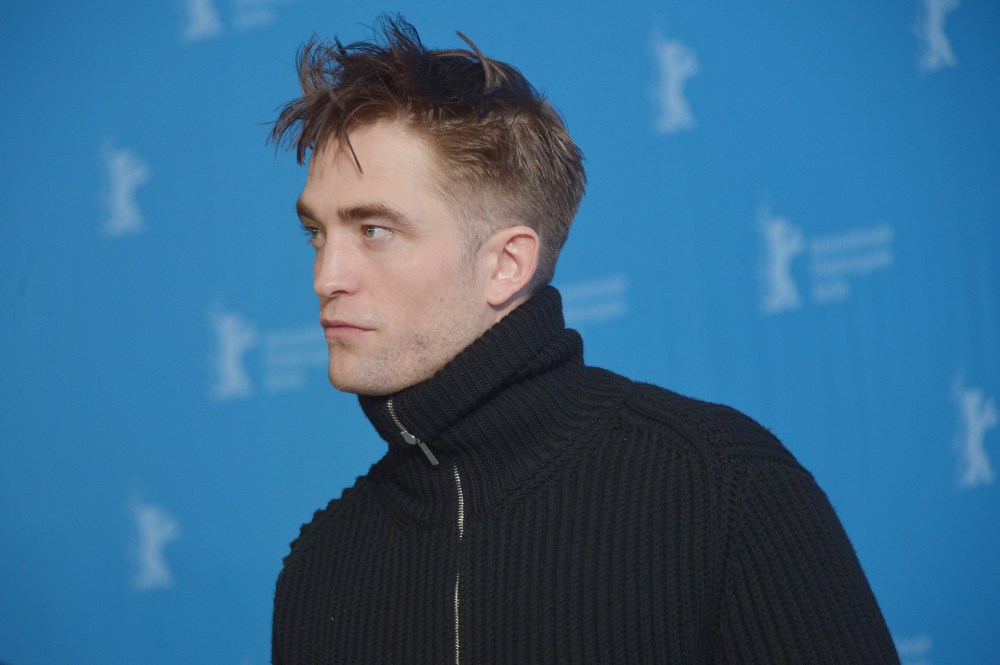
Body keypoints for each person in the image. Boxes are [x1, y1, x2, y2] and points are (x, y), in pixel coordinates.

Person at [268, 14, 900, 664]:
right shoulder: (322, 568)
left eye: (373, 230)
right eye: (316, 233)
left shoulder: (721, 488)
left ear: (506, 263)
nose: (325, 276)